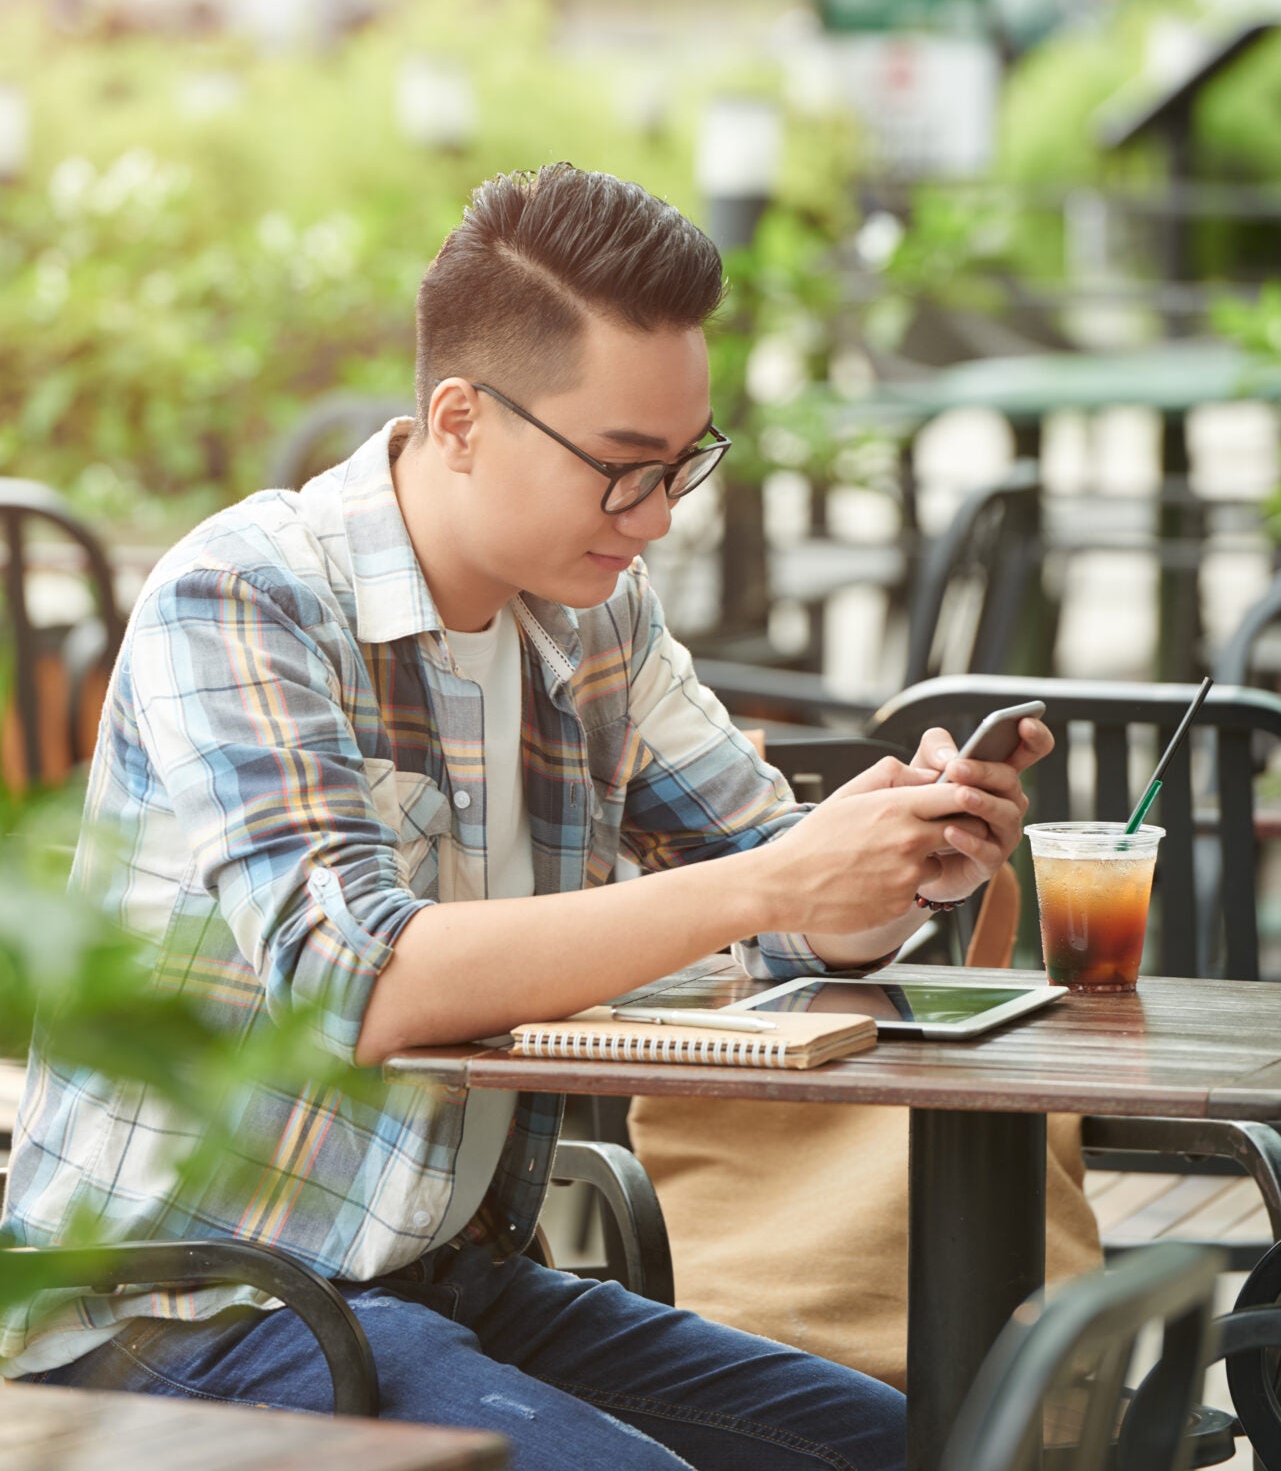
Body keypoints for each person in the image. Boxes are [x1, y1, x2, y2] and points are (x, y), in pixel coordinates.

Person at [2, 164, 1051, 1470]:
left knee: (925, 1448)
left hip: (445, 1279)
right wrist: (775, 885)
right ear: (459, 419)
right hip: (191, 1301)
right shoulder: (244, 597)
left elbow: (780, 912)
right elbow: (356, 982)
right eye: (622, 470)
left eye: (681, 466)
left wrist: (906, 859)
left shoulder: (594, 617)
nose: (659, 517)